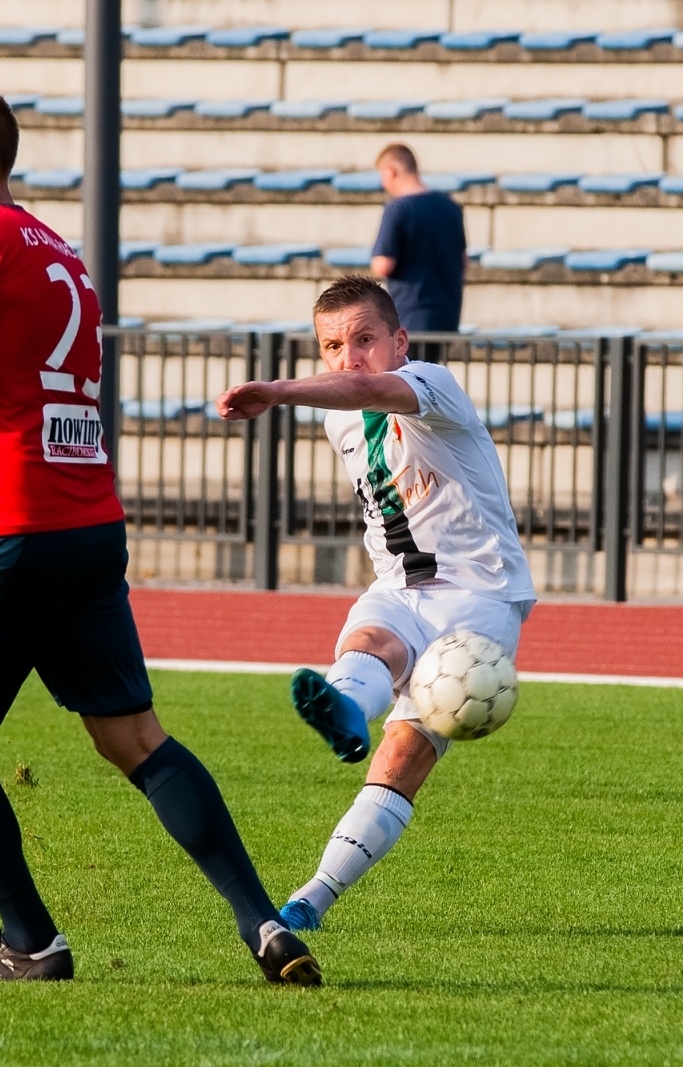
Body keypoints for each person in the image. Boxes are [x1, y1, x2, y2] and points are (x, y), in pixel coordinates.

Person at [0, 82, 320, 986]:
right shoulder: (58, 250)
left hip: (13, 523)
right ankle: (264, 921)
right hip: (89, 523)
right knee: (133, 736)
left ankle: (30, 941)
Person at [214, 274, 535, 931]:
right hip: (397, 587)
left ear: (400, 342)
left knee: (401, 756)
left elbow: (365, 389)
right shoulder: (338, 419)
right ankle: (344, 712)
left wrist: (276, 391)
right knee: (368, 645)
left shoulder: (432, 385)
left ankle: (312, 897)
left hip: (480, 595)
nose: (349, 358)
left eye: (364, 340)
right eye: (333, 346)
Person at [369, 143, 468, 334]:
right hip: (448, 314)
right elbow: (463, 261)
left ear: (391, 172)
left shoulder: (397, 209)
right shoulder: (450, 206)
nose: (383, 184)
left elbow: (382, 264)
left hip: (410, 314)